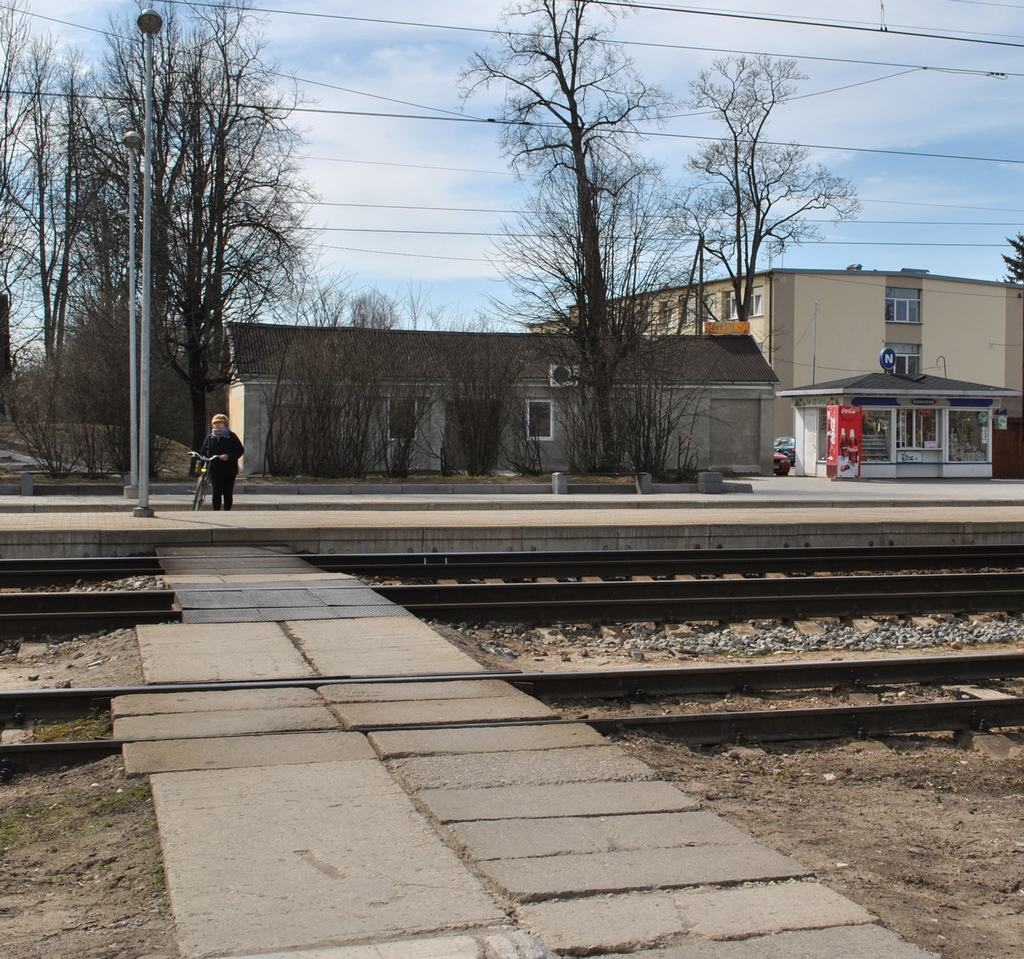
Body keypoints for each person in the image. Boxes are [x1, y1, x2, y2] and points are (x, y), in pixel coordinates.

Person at [199, 413, 244, 511]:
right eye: (215, 423)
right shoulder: (210, 437)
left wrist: (228, 456)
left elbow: (240, 450)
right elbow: (203, 452)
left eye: (220, 423)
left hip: (229, 469)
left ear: (225, 424)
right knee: (216, 491)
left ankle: (227, 511)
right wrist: (203, 464)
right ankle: (216, 511)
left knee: (227, 492)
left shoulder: (231, 436)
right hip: (215, 469)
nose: (218, 425)